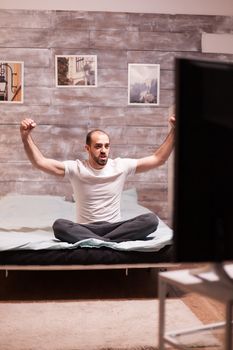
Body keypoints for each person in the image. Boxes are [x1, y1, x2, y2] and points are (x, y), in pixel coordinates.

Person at [20, 114, 175, 244]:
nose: (104, 151)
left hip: (115, 227)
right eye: (98, 146)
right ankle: (108, 242)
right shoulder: (77, 168)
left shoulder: (120, 166)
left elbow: (158, 159)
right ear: (87, 148)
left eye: (107, 146)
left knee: (150, 220)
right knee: (60, 226)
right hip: (85, 228)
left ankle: (98, 242)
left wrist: (174, 130)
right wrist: (26, 137)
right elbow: (40, 162)